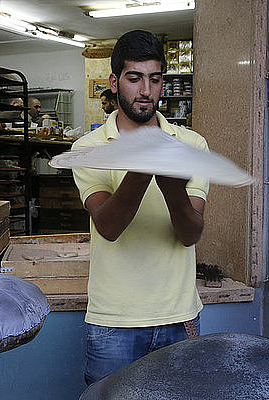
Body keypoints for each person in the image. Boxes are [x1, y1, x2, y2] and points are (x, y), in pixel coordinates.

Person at [71, 30, 209, 385]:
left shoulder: (191, 144)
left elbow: (190, 232)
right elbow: (109, 226)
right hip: (113, 320)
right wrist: (143, 165)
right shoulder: (89, 148)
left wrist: (170, 183)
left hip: (178, 316)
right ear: (115, 82)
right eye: (134, 79)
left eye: (155, 79)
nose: (146, 91)